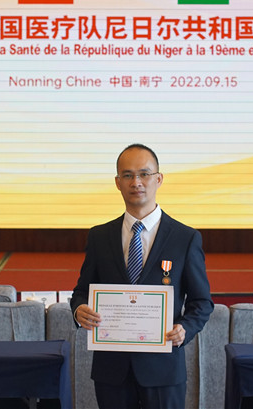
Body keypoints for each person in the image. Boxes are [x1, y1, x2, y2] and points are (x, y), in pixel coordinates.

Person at [70, 143, 214, 409]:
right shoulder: (99, 236)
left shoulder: (185, 238)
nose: (136, 182)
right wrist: (79, 309)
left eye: (144, 174)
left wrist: (185, 329)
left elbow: (202, 302)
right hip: (112, 370)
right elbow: (81, 291)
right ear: (118, 182)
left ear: (159, 179)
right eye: (128, 175)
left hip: (163, 370)